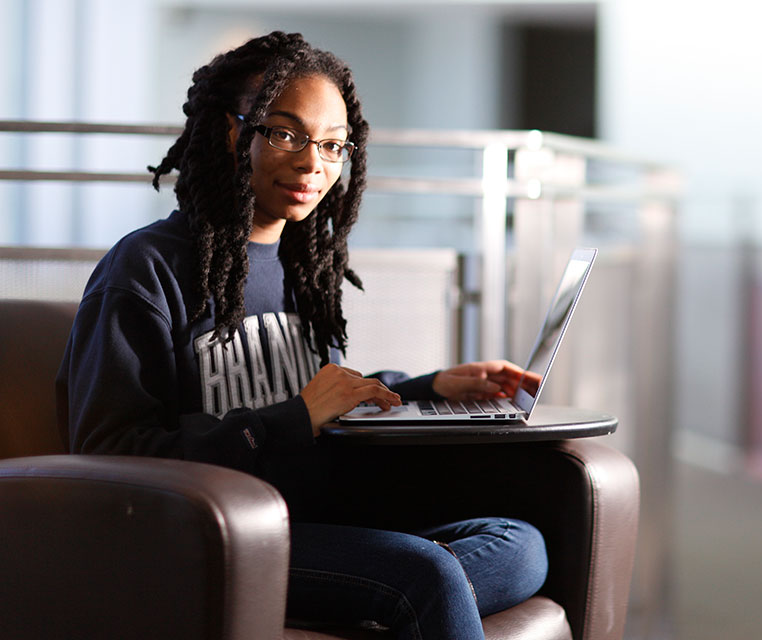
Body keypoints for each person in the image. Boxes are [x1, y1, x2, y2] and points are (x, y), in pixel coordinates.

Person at [56, 31, 547, 639]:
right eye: (285, 133)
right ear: (231, 130)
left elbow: (312, 395)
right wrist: (289, 422)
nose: (313, 163)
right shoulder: (144, 269)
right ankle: (399, 600)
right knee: (428, 575)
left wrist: (431, 384)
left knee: (518, 543)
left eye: (333, 145)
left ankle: (385, 604)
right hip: (217, 538)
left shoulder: (301, 267)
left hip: (315, 521)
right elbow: (109, 453)